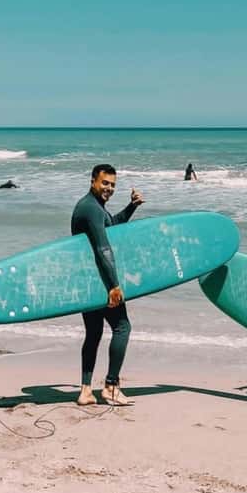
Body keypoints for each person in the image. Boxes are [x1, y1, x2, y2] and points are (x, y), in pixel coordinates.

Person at [70, 164, 144, 406]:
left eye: (113, 185)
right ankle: (111, 386)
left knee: (94, 333)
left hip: (87, 281)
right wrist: (113, 285)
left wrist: (132, 207)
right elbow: (103, 248)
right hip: (101, 281)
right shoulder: (91, 209)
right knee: (122, 327)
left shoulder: (92, 207)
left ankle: (85, 391)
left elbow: (111, 225)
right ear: (93, 180)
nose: (109, 188)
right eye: (105, 183)